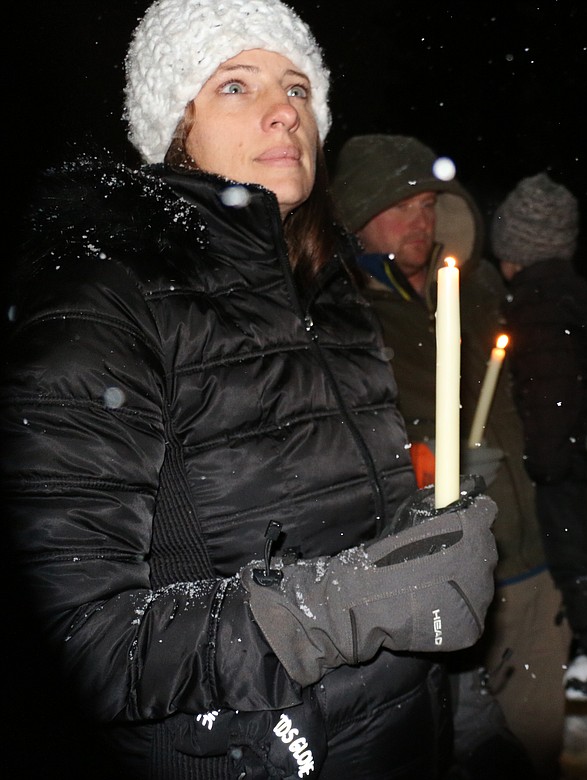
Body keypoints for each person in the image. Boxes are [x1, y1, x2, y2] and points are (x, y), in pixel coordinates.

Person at [0, 2, 499, 777]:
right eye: (237, 85)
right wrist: (339, 608)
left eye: (298, 89)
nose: (283, 113)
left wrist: (425, 542)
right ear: (176, 124)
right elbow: (79, 637)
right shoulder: (103, 299)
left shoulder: (329, 295)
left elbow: (335, 533)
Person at [332, 135, 571, 779]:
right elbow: (330, 451)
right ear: (356, 216)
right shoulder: (342, 318)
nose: (422, 219)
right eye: (401, 204)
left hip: (527, 557)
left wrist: (584, 425)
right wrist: (425, 470)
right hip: (429, 578)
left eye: (430, 203)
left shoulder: (482, 294)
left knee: (535, 745)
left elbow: (547, 380)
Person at [490, 172, 587, 702]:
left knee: (573, 548)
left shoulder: (538, 301)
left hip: (559, 455)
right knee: (582, 546)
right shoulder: (567, 290)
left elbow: (550, 387)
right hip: (576, 442)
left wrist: (546, 462)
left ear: (516, 250)